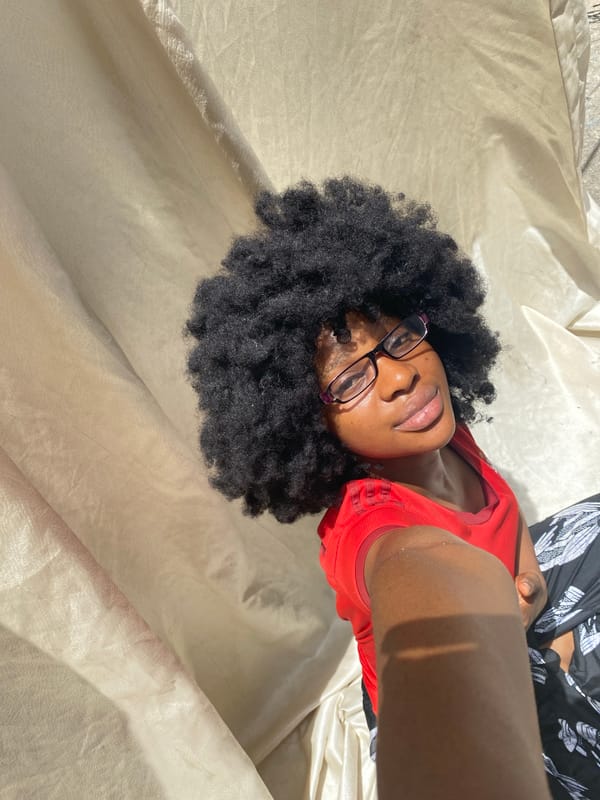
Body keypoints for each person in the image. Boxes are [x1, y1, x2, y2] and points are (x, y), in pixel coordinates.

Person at [186, 177, 600, 799]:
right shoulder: (370, 527)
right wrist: (521, 639)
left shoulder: (433, 431)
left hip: (521, 614)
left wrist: (531, 598)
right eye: (351, 379)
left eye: (402, 338)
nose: (401, 378)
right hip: (460, 677)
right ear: (305, 417)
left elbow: (509, 534)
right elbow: (419, 585)